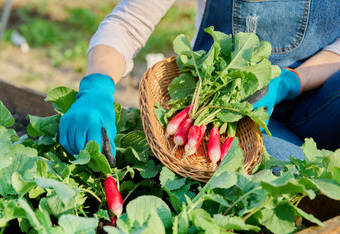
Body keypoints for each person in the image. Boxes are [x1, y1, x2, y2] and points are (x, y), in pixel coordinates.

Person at [59, 0, 340, 161]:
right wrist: (97, 86)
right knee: (286, 169)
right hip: (230, 119)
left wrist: (290, 82)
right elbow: (127, 23)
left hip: (317, 97)